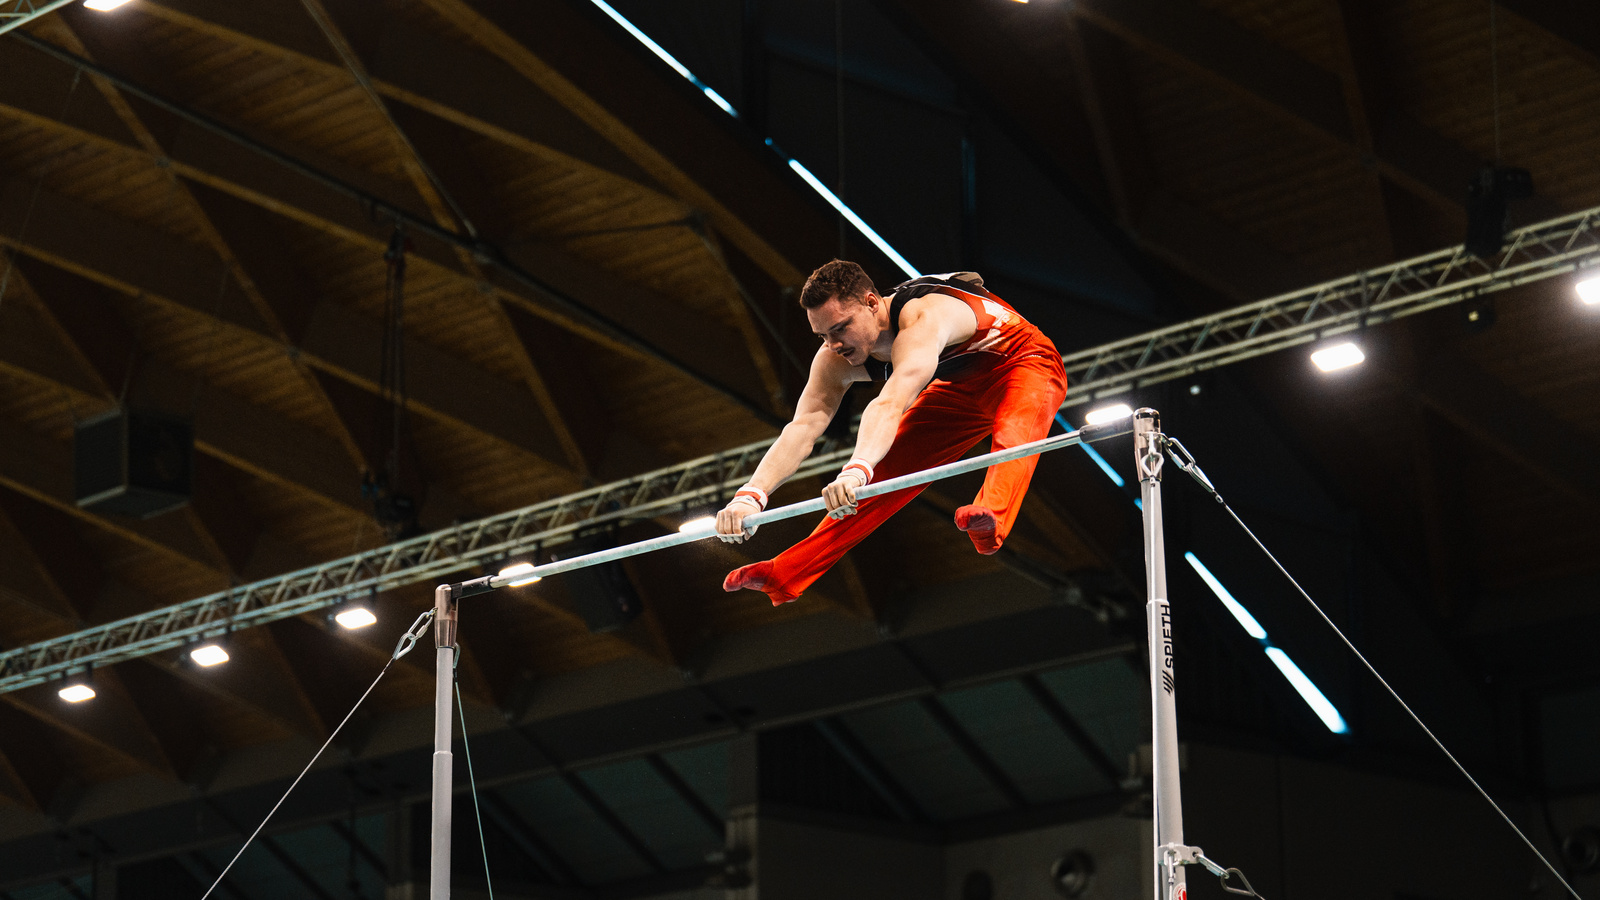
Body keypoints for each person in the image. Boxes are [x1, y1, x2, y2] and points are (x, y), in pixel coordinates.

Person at [716, 259, 1067, 606]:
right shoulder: (832, 358)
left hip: (1024, 363)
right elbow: (803, 427)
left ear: (872, 303)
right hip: (958, 388)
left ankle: (990, 517)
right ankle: (786, 574)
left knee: (1014, 433)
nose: (833, 344)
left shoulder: (923, 318)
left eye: (840, 328)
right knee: (883, 479)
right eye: (822, 335)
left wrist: (855, 469)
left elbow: (891, 402)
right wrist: (750, 495)